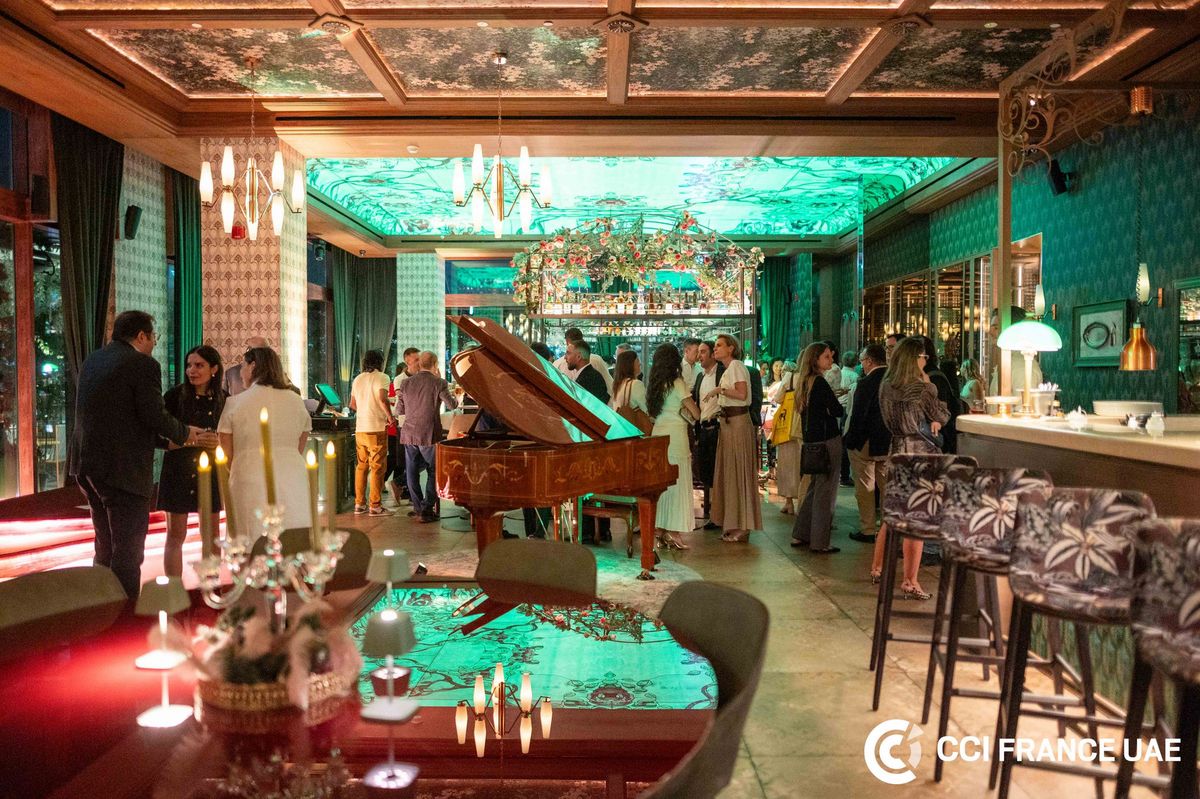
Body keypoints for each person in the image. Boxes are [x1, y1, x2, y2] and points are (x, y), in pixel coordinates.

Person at [73, 311, 210, 598]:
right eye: (153, 338)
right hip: (123, 470)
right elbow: (152, 415)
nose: (153, 344)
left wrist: (168, 441)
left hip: (88, 465)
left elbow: (122, 418)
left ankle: (101, 604)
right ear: (141, 336)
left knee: (105, 545)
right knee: (128, 551)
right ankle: (124, 615)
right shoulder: (142, 364)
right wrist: (186, 433)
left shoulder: (92, 360)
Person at [869, 337, 949, 600]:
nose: (926, 360)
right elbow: (942, 415)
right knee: (917, 519)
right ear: (915, 359)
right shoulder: (922, 388)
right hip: (920, 454)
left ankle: (878, 568)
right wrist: (928, 384)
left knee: (892, 515)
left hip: (897, 451)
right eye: (923, 356)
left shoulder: (885, 386)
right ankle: (910, 580)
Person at [216, 346, 312, 541]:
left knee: (250, 539)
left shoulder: (236, 402)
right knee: (292, 538)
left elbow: (226, 450)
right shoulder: (296, 401)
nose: (240, 373)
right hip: (293, 476)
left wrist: (240, 464)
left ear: (253, 366)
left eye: (242, 366)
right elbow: (300, 443)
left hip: (248, 476)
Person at [157, 345, 227, 577]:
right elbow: (157, 435)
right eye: (189, 365)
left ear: (214, 369)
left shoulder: (224, 400)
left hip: (211, 472)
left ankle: (211, 585)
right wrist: (187, 439)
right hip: (178, 469)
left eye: (199, 365)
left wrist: (218, 441)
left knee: (212, 536)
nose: (192, 370)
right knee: (175, 535)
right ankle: (174, 589)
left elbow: (232, 437)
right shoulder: (174, 397)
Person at [790, 342, 844, 553]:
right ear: (815, 360)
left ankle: (801, 533)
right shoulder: (820, 382)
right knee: (825, 492)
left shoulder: (804, 382)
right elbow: (837, 410)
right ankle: (820, 542)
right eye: (827, 356)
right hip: (827, 440)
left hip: (811, 442)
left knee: (814, 489)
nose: (831, 360)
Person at [647, 344, 702, 550]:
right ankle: (675, 531)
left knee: (662, 484)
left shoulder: (654, 385)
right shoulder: (677, 383)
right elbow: (695, 413)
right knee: (678, 484)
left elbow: (652, 415)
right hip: (676, 437)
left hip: (658, 436)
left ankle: (660, 529)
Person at [707, 334, 761, 543]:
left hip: (737, 424)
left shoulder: (737, 366)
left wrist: (719, 390)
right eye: (715, 346)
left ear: (731, 348)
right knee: (731, 472)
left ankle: (743, 525)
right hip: (728, 424)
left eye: (719, 345)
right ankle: (734, 522)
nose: (715, 349)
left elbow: (741, 394)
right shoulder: (729, 369)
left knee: (739, 472)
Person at [396, 351, 458, 523]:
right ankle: (426, 508)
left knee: (412, 471)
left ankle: (418, 508)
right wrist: (456, 395)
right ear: (435, 364)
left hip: (409, 433)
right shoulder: (439, 382)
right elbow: (452, 405)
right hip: (429, 433)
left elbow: (399, 410)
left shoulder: (405, 383)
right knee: (434, 470)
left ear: (419, 364)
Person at [843, 344, 890, 545]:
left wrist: (851, 440)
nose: (861, 364)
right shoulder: (894, 380)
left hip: (866, 441)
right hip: (888, 441)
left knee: (865, 486)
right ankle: (888, 529)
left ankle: (868, 529)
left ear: (870, 361)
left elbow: (858, 415)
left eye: (862, 360)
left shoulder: (866, 383)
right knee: (887, 486)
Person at [350, 349, 392, 516]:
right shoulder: (383, 377)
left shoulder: (358, 379)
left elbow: (352, 404)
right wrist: (390, 418)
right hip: (376, 428)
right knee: (377, 467)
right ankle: (375, 506)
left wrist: (365, 409)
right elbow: (383, 399)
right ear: (380, 362)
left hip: (360, 428)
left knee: (361, 466)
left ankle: (359, 504)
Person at [692, 341, 722, 529]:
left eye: (703, 352)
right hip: (703, 428)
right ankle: (712, 510)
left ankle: (717, 513)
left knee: (717, 471)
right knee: (705, 470)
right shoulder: (700, 376)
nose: (699, 356)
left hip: (717, 427)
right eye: (698, 352)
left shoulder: (722, 373)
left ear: (712, 354)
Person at [386, 347, 420, 505]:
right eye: (416, 359)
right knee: (408, 460)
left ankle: (404, 488)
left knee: (417, 460)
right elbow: (403, 404)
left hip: (418, 423)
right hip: (405, 424)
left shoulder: (421, 377)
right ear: (408, 361)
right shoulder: (400, 379)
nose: (419, 362)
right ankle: (405, 488)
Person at [768, 360, 800, 514]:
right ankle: (802, 499)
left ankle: (789, 502)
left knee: (787, 464)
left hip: (787, 425)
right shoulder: (806, 377)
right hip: (801, 425)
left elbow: (778, 398)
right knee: (800, 464)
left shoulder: (789, 378)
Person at [919, 335, 960, 454]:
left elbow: (941, 415)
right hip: (925, 442)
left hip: (933, 442)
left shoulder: (933, 377)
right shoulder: (921, 377)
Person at [988, 306, 1042, 394]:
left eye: (996, 328)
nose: (990, 332)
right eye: (991, 327)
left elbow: (1023, 402)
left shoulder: (1021, 365)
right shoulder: (1009, 360)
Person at [554, 328, 613, 393]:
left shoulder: (558, 364)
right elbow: (610, 387)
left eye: (568, 353)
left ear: (567, 341)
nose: (565, 357)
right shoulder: (597, 360)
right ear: (582, 339)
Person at [568, 339, 610, 404]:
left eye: (568, 353)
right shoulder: (592, 374)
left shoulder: (586, 379)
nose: (565, 357)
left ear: (579, 357)